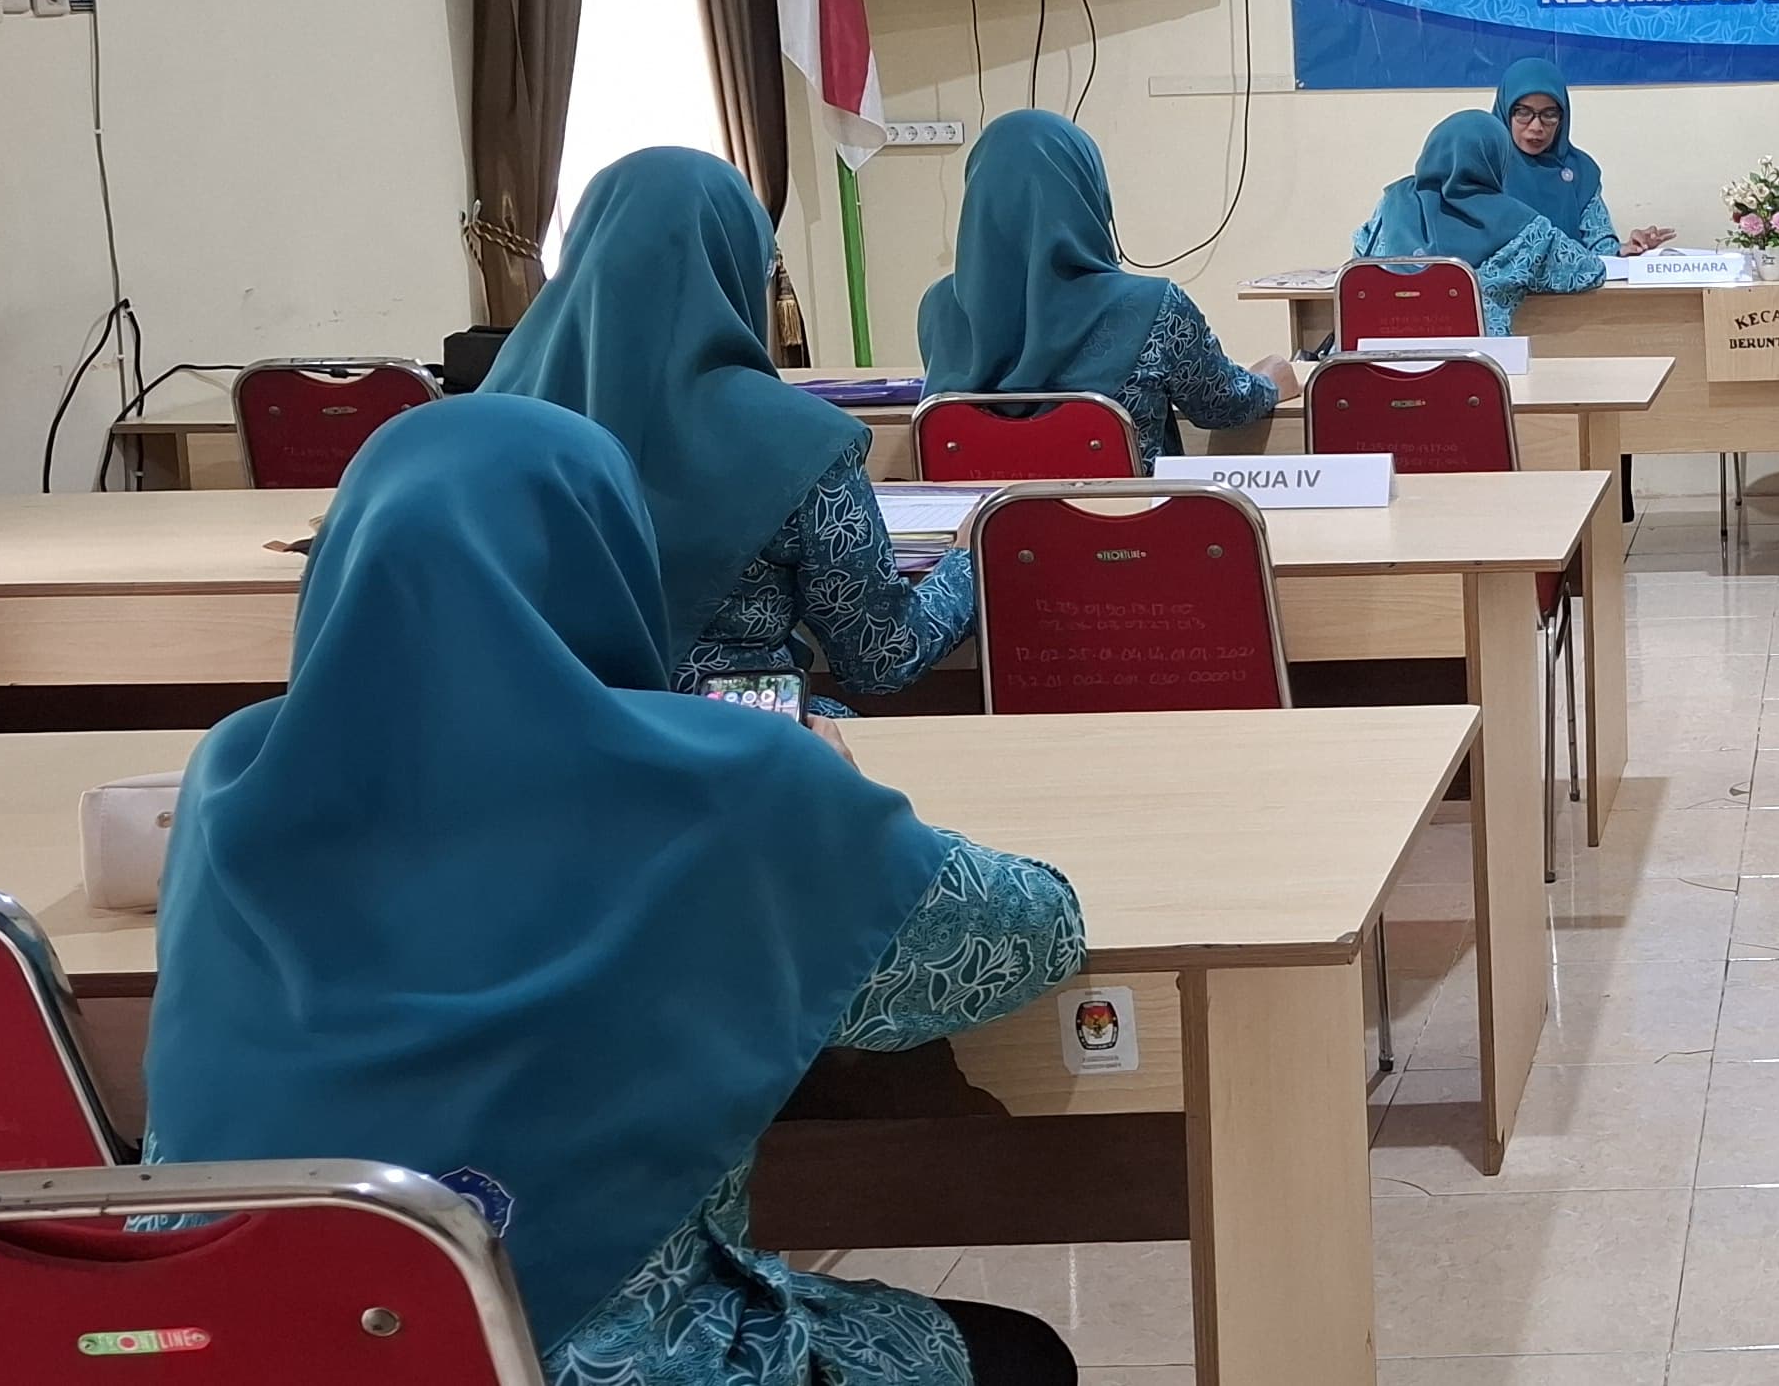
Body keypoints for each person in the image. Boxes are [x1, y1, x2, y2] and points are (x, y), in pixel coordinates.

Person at [140, 396, 1090, 1385]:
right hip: (583, 1358)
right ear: (609, 564)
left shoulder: (233, 774)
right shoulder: (729, 783)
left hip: (225, 1340)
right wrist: (843, 808)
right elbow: (1028, 938)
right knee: (1023, 1357)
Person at [486, 148, 971, 707]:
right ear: (733, 263)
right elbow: (880, 655)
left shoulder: (489, 418)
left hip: (535, 730)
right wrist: (968, 566)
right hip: (736, 735)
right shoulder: (802, 440)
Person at [920, 109, 1292, 471]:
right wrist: (1270, 379)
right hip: (1126, 513)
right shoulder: (1154, 306)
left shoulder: (939, 307)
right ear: (1085, 193)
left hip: (984, 512)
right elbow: (1220, 406)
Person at [1353, 108, 1610, 333]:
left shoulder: (1393, 203)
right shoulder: (1522, 226)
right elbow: (1589, 271)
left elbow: (1360, 256)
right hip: (1475, 363)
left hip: (1377, 354)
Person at [1494, 57, 1674, 256]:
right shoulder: (1486, 168)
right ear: (1505, 111)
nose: (1536, 126)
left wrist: (1626, 250)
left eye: (1549, 114)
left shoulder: (1581, 171)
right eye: (1523, 113)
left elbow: (1599, 244)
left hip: (1575, 277)